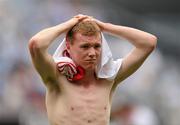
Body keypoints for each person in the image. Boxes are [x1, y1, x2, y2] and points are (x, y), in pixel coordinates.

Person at [28, 14, 157, 125]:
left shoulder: (109, 77)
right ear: (68, 46)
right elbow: (36, 44)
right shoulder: (56, 75)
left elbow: (149, 43)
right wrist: (69, 24)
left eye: (97, 46)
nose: (92, 53)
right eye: (85, 46)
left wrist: (105, 27)